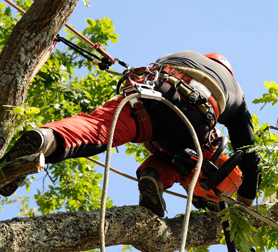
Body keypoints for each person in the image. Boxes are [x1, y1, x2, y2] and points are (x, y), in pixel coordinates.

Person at [0, 51, 260, 217]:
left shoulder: (184, 55)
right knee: (193, 160)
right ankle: (155, 176)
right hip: (195, 121)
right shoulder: (235, 90)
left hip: (154, 94)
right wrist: (246, 201)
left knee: (98, 128)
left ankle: (46, 139)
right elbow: (250, 152)